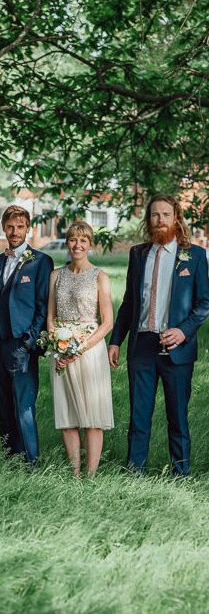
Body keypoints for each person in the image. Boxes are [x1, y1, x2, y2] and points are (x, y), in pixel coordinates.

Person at [109, 195, 209, 475]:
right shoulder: (138, 254)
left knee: (177, 415)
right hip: (142, 345)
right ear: (148, 220)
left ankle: (181, 472)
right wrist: (116, 340)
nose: (160, 220)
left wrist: (183, 331)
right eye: (155, 215)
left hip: (177, 346)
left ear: (176, 218)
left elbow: (204, 303)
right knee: (139, 415)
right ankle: (134, 471)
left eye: (166, 214)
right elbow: (129, 301)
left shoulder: (195, 255)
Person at [0, 205, 53, 465]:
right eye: (10, 227)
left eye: (20, 227)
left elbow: (43, 305)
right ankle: (11, 460)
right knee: (5, 407)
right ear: (3, 228)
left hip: (23, 344)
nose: (15, 231)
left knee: (24, 406)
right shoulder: (0, 260)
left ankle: (31, 462)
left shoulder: (40, 261)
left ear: (28, 228)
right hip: (0, 343)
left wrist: (30, 342)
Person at [47, 222, 114, 476]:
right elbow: (51, 316)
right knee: (68, 416)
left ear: (90, 245)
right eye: (73, 240)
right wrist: (58, 345)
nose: (77, 245)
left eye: (83, 241)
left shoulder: (100, 277)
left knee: (92, 417)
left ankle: (91, 474)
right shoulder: (56, 275)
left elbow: (107, 322)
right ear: (67, 242)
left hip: (90, 349)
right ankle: (74, 472)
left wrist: (78, 348)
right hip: (60, 351)